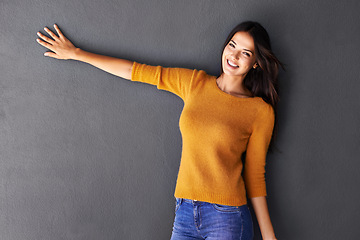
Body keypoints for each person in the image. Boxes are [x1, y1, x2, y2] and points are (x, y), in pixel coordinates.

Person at [36, 21, 282, 240]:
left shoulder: (259, 111)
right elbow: (135, 71)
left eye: (245, 53)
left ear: (256, 63)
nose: (234, 55)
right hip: (185, 211)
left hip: (227, 218)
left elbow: (255, 176)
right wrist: (77, 54)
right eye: (232, 45)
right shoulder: (195, 83)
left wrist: (269, 236)